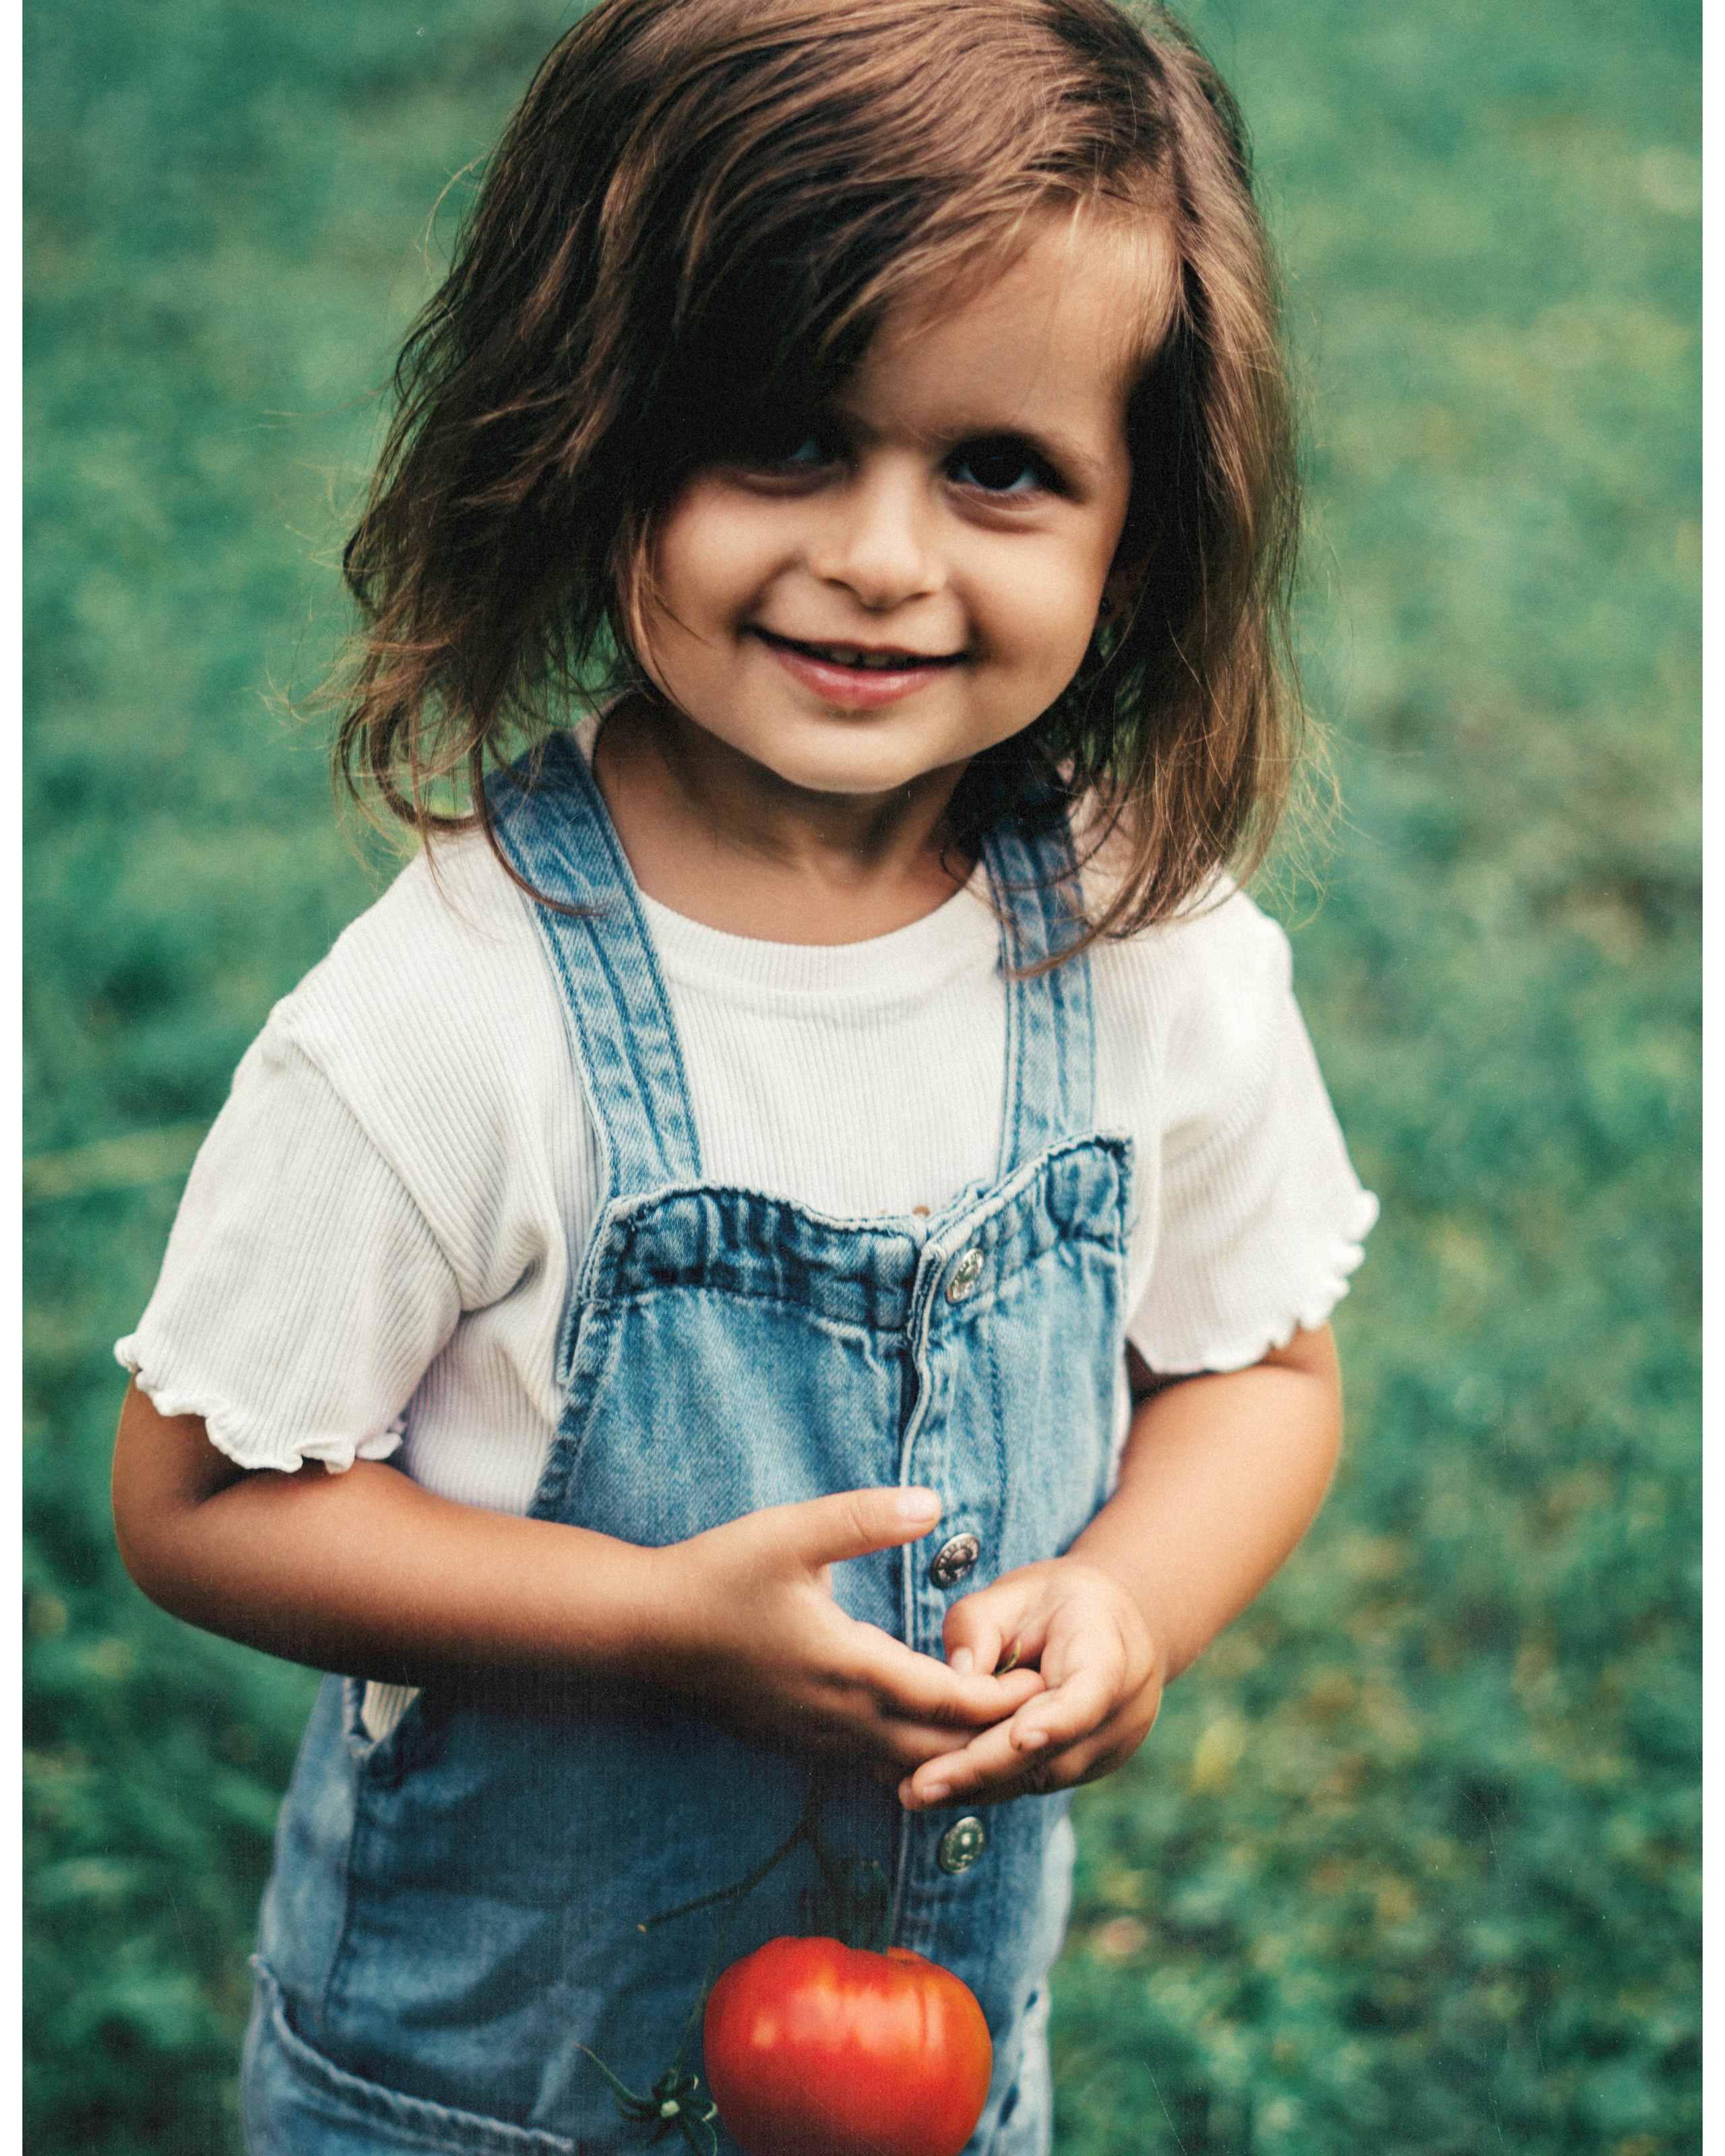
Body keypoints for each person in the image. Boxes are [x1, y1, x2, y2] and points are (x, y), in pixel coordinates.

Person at [109, 0, 1378, 2147]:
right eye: (786, 439)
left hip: (925, 2070)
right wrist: (647, 1623)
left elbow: (1259, 1371)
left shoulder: (1154, 950)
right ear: (593, 432)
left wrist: (1132, 1599)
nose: (884, 556)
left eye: (999, 468)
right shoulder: (451, 1021)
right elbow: (200, 1501)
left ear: (1136, 523)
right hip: (478, 2085)